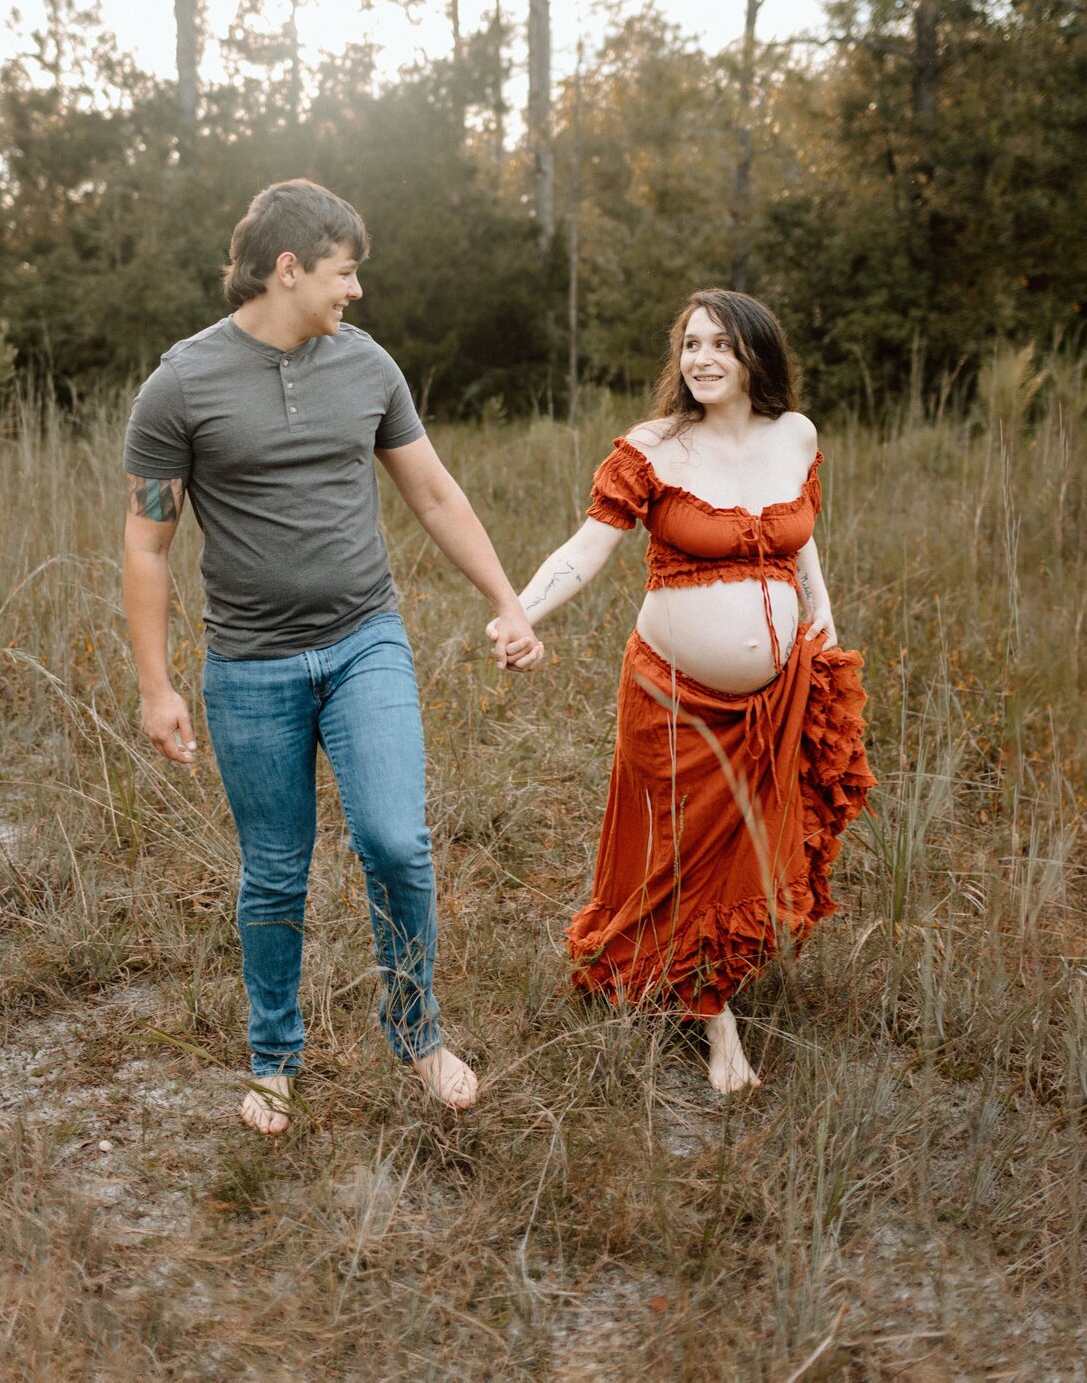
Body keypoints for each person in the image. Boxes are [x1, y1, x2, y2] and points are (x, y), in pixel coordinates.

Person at [123, 179, 543, 1132]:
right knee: (275, 872)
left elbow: (433, 493)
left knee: (396, 841)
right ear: (289, 267)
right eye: (344, 273)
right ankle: (274, 1058)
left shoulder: (367, 367)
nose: (355, 292)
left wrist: (507, 600)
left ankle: (419, 1034)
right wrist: (156, 688)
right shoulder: (181, 384)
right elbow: (147, 542)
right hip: (250, 670)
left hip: (366, 645)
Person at [506, 289, 876, 1093]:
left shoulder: (795, 436)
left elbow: (804, 547)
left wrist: (827, 636)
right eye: (691, 345)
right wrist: (520, 613)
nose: (702, 360)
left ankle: (699, 982)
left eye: (721, 346)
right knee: (671, 859)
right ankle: (719, 1031)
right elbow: (586, 548)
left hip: (777, 696)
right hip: (673, 699)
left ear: (755, 358)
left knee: (742, 852)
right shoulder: (653, 449)